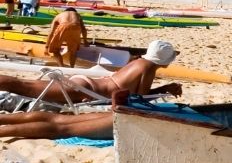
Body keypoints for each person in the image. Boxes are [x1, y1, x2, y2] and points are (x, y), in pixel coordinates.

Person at [0, 39, 182, 104]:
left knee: (25, 85)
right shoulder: (149, 68)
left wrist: (165, 88)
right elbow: (139, 99)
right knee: (23, 86)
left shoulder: (139, 62)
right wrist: (165, 89)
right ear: (163, 60)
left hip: (86, 84)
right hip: (87, 89)